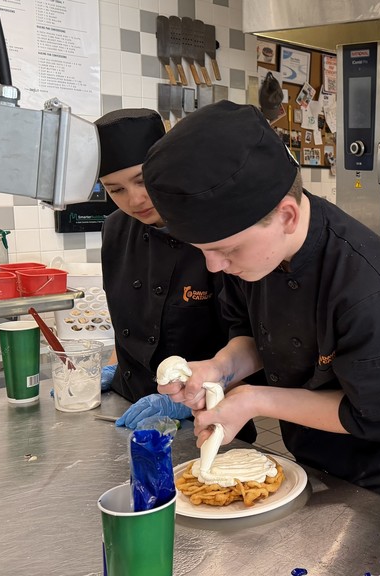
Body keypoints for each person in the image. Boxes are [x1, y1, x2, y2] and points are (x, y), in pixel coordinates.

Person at [141, 101, 380, 510]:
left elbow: (374, 416)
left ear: (286, 215)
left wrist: (253, 400)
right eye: (203, 251)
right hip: (310, 460)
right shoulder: (253, 256)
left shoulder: (375, 288)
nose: (214, 265)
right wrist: (220, 369)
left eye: (225, 250)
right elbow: (249, 332)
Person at [94, 108, 256, 443]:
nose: (134, 199)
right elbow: (128, 323)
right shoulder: (113, 230)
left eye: (142, 180)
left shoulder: (217, 232)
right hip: (128, 410)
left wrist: (184, 400)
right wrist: (117, 370)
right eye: (115, 190)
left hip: (208, 417)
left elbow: (256, 339)